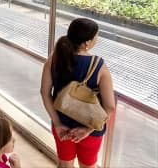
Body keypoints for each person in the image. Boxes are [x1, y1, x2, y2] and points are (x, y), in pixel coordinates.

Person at [40, 18, 115, 168]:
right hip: (89, 131)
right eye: (96, 36)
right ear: (87, 42)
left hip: (62, 127)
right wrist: (87, 130)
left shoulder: (54, 58)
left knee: (64, 165)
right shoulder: (99, 65)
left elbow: (44, 92)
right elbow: (110, 107)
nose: (97, 39)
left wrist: (57, 123)